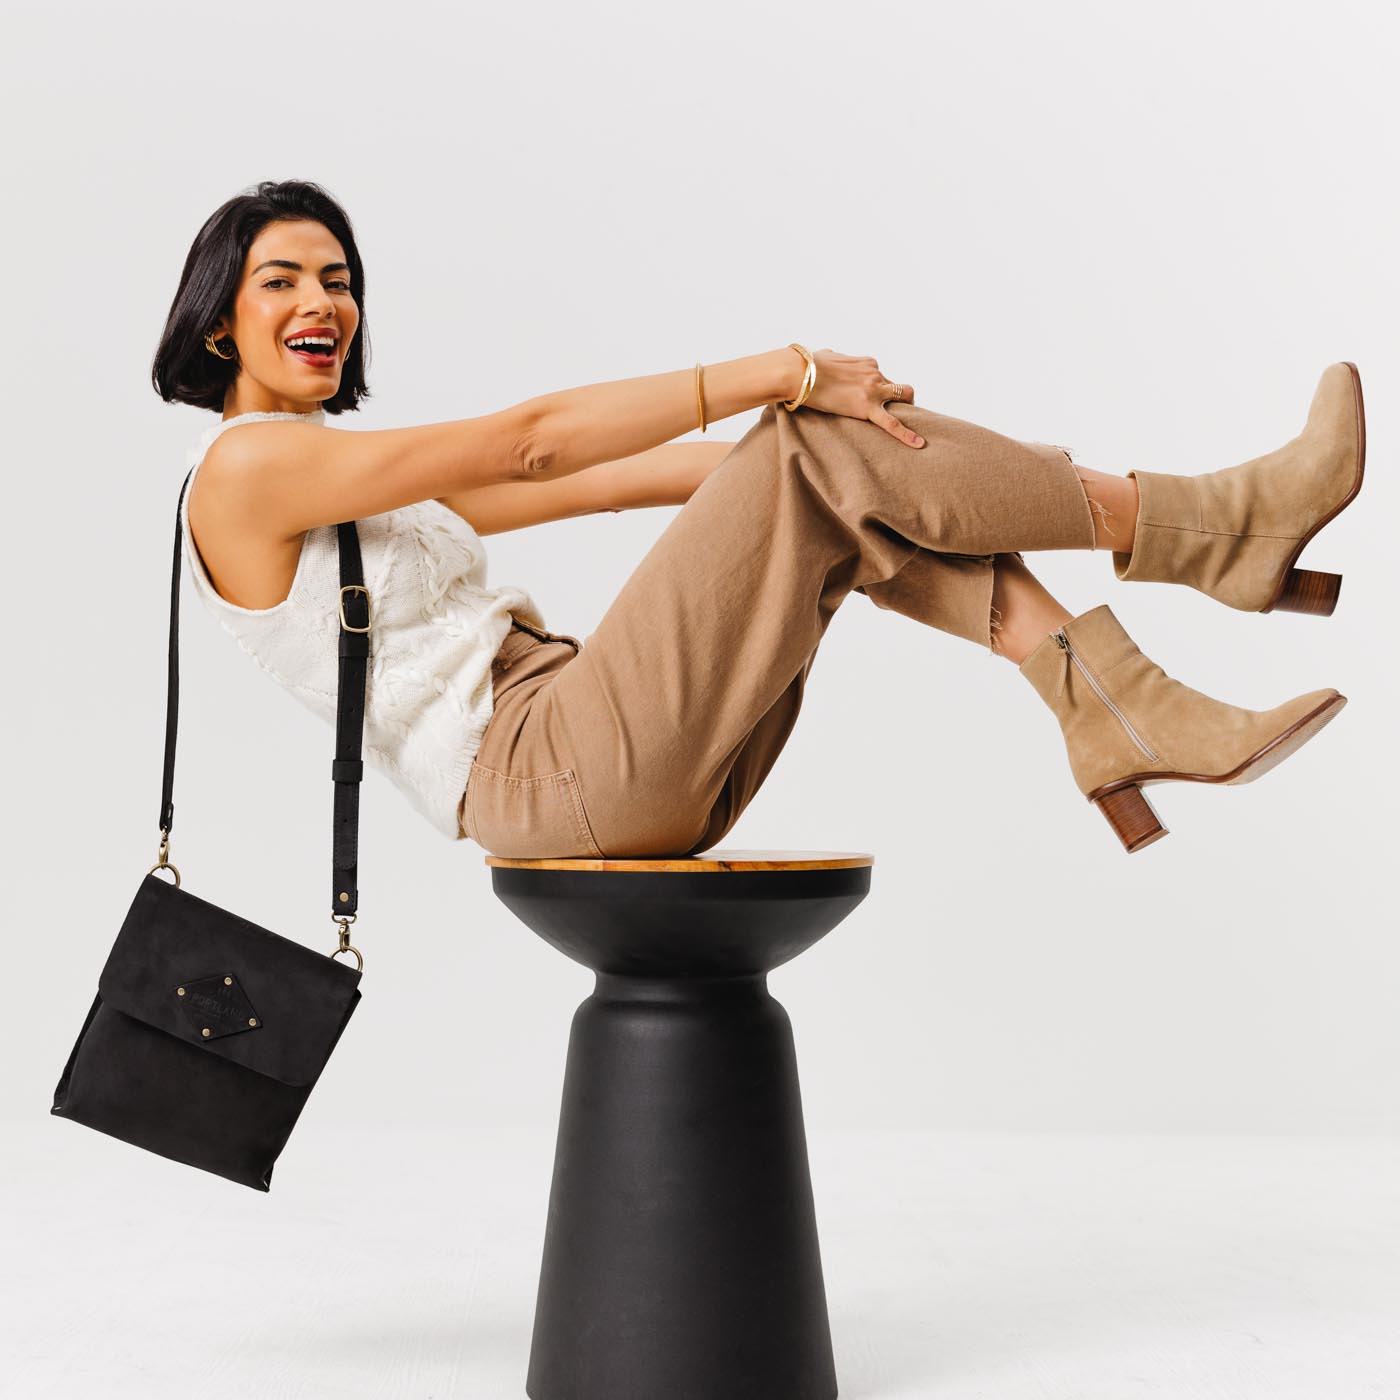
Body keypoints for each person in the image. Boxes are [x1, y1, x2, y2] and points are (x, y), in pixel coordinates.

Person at [153, 180, 1363, 859]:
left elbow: (623, 479)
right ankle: (1204, 530)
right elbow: (531, 440)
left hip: (600, 760)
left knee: (827, 474)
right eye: (282, 281)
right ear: (220, 324)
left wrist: (839, 439)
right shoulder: (246, 469)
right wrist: (783, 374)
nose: (324, 302)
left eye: (339, 280)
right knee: (807, 444)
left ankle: (1109, 694)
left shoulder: (340, 476)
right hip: (550, 766)